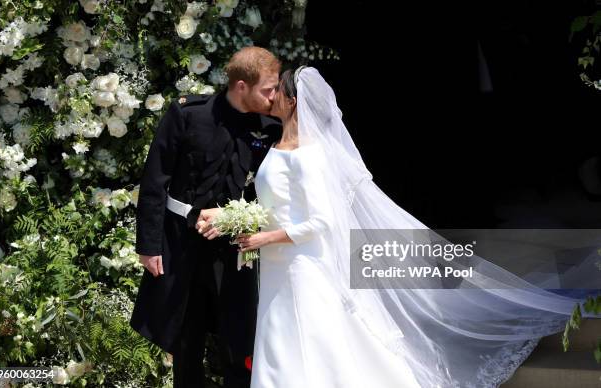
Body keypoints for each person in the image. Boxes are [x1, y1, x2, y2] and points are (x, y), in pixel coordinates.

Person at [234, 66, 600, 388]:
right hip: (280, 261)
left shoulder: (310, 155)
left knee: (308, 336)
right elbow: (281, 204)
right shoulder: (282, 144)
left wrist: (268, 236)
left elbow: (323, 221)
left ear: (293, 99)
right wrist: (231, 218)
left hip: (303, 264)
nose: (271, 97)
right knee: (282, 337)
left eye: (276, 91)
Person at [130, 46, 282, 388]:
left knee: (239, 339)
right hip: (183, 245)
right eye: (267, 89)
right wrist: (150, 246)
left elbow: (273, 193)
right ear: (241, 86)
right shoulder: (188, 114)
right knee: (186, 339)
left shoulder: (271, 127)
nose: (274, 97)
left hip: (238, 250)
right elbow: (155, 181)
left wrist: (236, 219)